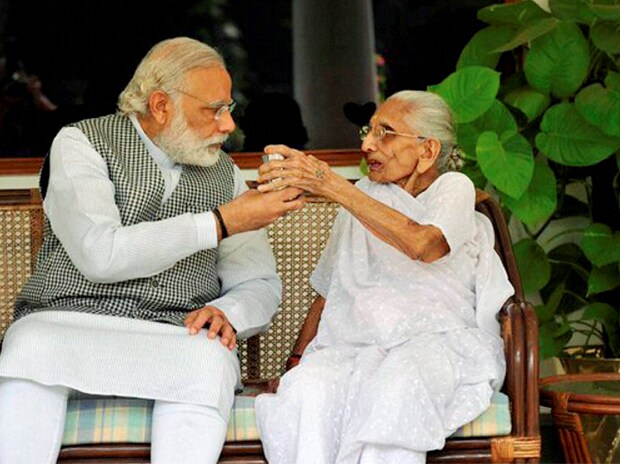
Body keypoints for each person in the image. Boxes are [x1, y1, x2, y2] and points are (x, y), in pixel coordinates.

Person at [0, 37, 304, 464]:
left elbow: (259, 283)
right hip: (68, 325)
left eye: (229, 109)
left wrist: (230, 313)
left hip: (176, 334)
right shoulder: (81, 143)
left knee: (209, 359)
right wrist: (219, 223)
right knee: (30, 344)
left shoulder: (226, 174)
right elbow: (100, 254)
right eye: (213, 110)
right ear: (161, 106)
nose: (227, 126)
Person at [254, 90, 514, 464]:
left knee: (396, 389)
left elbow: (425, 244)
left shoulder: (451, 188)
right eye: (369, 130)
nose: (367, 145)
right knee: (307, 391)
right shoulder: (363, 195)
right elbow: (329, 291)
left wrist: (332, 185)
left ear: (427, 152)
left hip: (436, 345)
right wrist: (295, 361)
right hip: (356, 347)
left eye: (385, 133)